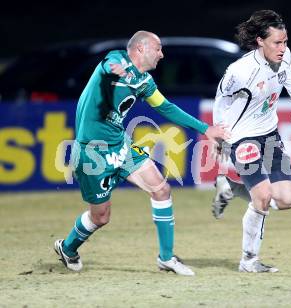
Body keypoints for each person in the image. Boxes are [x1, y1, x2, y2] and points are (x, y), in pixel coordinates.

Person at [54, 31, 230, 276]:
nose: (162, 54)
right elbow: (110, 67)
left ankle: (166, 258)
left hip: (120, 145)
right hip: (92, 153)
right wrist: (129, 75)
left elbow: (166, 107)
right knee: (101, 216)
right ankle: (68, 247)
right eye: (157, 48)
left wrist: (206, 128)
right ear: (140, 49)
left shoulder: (146, 82)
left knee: (161, 189)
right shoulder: (115, 59)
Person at [211, 10, 291, 273]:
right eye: (277, 43)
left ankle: (231, 188)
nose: (283, 48)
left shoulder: (283, 57)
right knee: (263, 197)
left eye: (285, 41)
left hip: (270, 133)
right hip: (242, 137)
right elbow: (221, 99)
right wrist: (218, 133)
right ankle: (249, 261)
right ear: (260, 41)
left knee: (287, 199)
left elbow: (289, 75)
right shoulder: (240, 71)